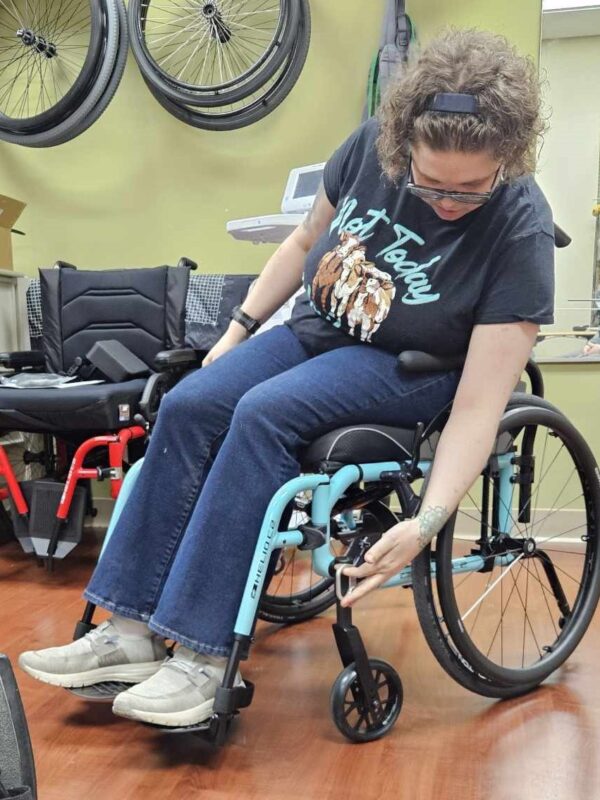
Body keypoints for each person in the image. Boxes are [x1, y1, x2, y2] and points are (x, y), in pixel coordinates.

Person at [19, 28, 555, 729]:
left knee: (264, 415)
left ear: (508, 160)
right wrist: (237, 330)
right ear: (402, 149)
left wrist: (426, 523)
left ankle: (203, 659)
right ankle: (128, 632)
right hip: (316, 329)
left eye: (470, 190)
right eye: (429, 184)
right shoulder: (369, 147)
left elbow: (483, 404)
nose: (447, 202)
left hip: (416, 368)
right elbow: (306, 242)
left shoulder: (520, 228)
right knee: (188, 404)